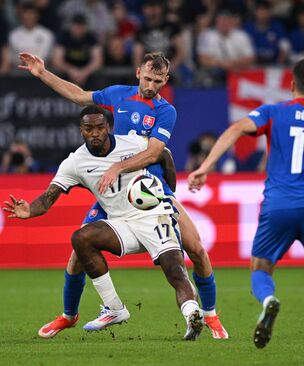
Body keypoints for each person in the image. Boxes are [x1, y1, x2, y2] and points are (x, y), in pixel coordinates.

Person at [17, 51, 228, 339]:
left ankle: (211, 315)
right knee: (77, 253)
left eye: (158, 81)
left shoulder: (165, 110)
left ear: (165, 80)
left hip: (149, 192)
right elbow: (79, 95)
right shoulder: (117, 95)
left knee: (197, 250)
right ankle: (69, 316)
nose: (152, 85)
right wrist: (42, 73)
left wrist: (124, 170)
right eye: (148, 78)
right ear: (138, 71)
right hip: (111, 192)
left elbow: (156, 152)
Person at [188, 59, 304, 363]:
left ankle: (270, 299)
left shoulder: (274, 112)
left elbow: (236, 128)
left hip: (279, 204)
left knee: (260, 268)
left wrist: (205, 167)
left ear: (292, 85)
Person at [3, 106, 204, 339]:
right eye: (89, 129)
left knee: (175, 271)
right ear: (81, 131)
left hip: (154, 216)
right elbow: (49, 197)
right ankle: (115, 308)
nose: (95, 133)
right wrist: (29, 210)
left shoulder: (134, 144)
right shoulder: (75, 162)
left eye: (100, 127)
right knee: (81, 238)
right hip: (121, 223)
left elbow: (164, 155)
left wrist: (169, 195)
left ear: (108, 127)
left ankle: (192, 316)